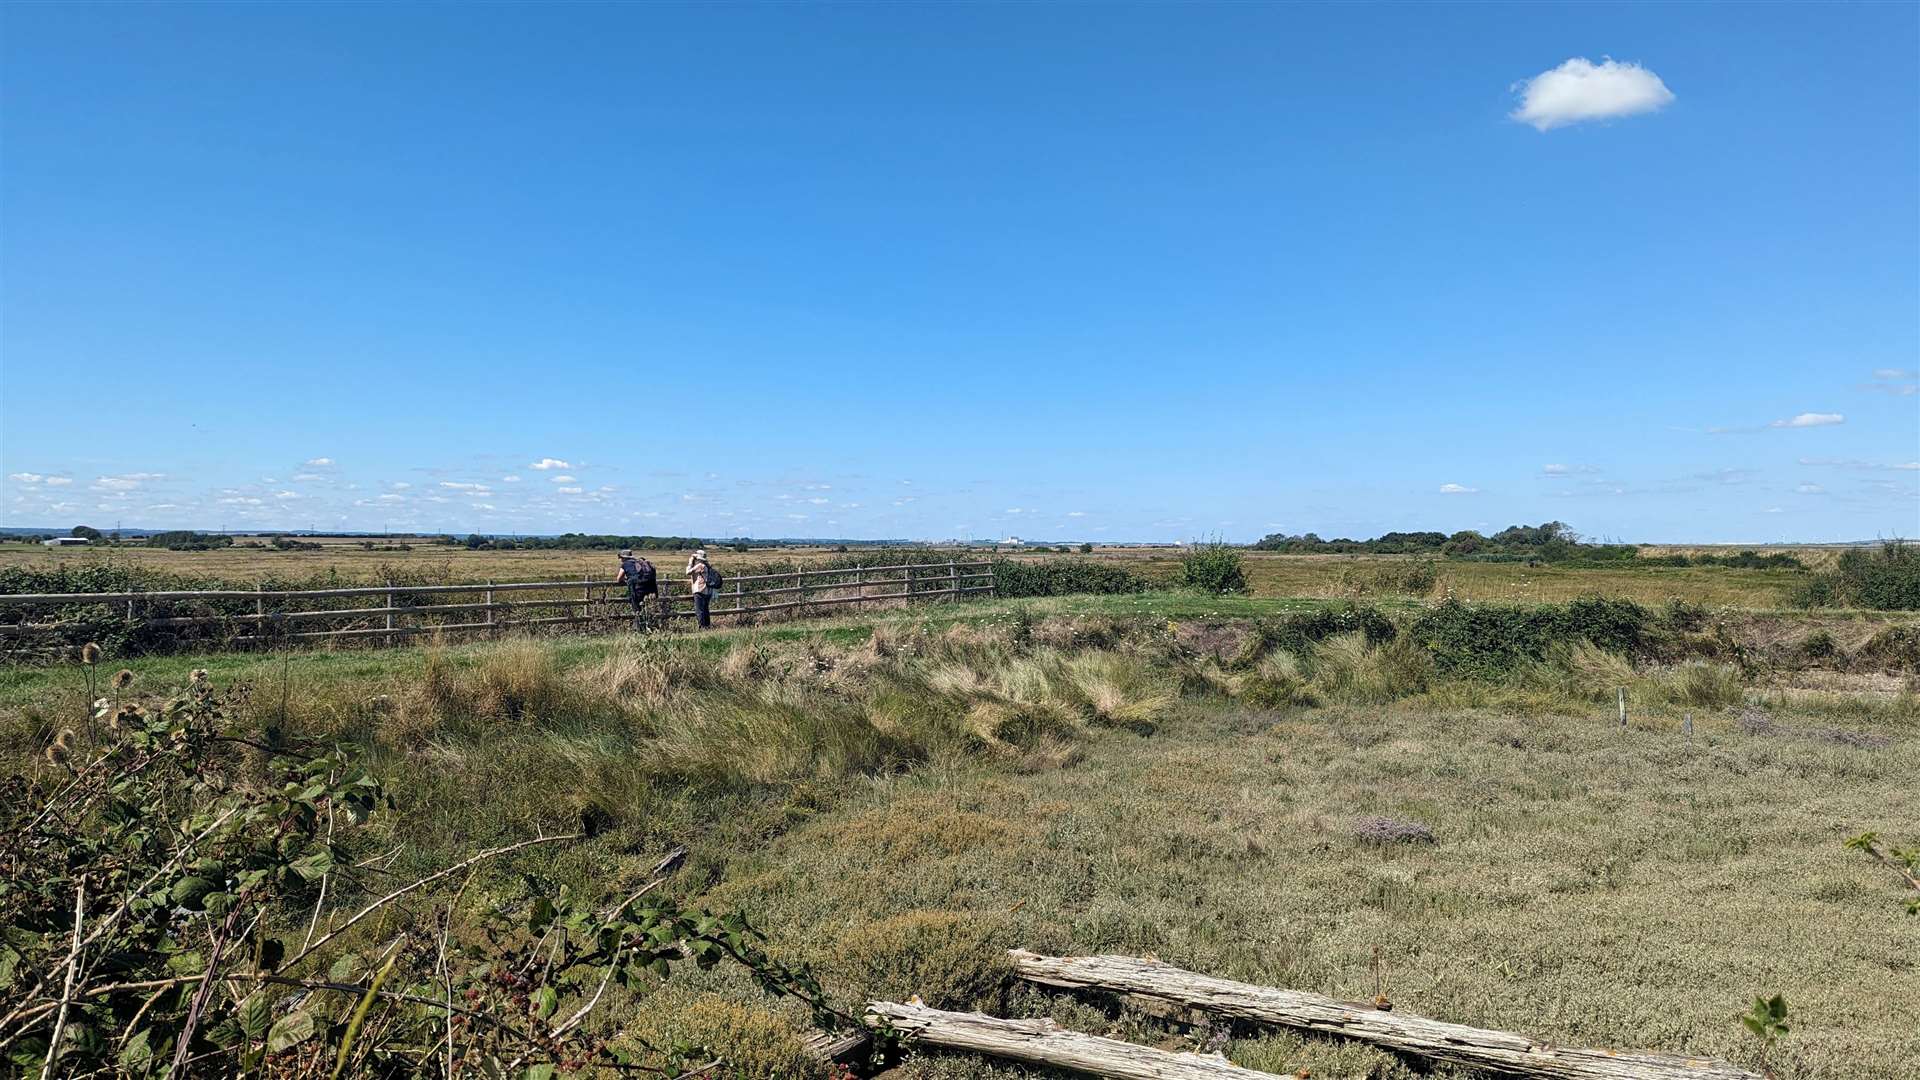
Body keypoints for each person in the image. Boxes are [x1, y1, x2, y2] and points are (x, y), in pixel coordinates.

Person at [615, 548, 659, 628]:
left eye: (621, 558)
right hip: (651, 588)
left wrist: (626, 580)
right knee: (650, 608)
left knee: (637, 609)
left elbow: (619, 579)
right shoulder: (640, 562)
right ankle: (652, 626)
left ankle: (640, 628)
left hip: (638, 588)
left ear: (624, 558)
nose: (620, 560)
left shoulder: (625, 564)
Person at [686, 548, 714, 629]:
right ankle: (707, 626)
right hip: (708, 591)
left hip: (700, 590)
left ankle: (702, 627)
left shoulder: (700, 565)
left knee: (699, 610)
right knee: (705, 609)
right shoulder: (707, 565)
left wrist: (690, 562)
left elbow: (688, 572)